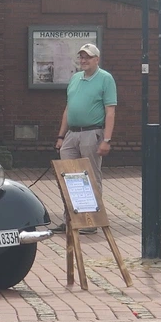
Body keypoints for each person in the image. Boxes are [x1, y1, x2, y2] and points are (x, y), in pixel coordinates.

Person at [54, 43, 117, 234]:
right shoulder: (75, 78)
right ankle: (72, 218)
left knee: (89, 176)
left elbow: (110, 111)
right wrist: (61, 135)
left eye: (88, 57)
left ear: (96, 59)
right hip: (72, 134)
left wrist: (106, 139)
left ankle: (91, 221)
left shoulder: (105, 79)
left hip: (92, 132)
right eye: (81, 57)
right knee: (68, 176)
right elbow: (68, 108)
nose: (84, 60)